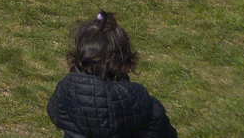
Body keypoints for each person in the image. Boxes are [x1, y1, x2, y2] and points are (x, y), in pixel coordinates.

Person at [47, 11, 177, 137]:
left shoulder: (64, 96)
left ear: (79, 59)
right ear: (126, 62)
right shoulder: (149, 109)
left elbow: (54, 113)